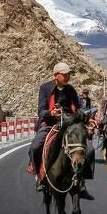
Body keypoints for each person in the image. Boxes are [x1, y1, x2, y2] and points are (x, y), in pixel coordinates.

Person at [28, 62, 95, 200]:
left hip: (70, 125)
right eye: (64, 74)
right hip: (50, 123)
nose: (67, 76)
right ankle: (40, 177)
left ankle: (81, 182)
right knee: (35, 147)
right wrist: (51, 113)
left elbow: (77, 109)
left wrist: (87, 120)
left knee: (89, 149)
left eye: (68, 74)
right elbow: (41, 111)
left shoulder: (70, 89)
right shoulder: (45, 88)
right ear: (55, 75)